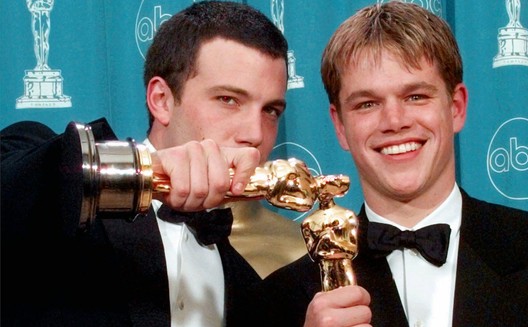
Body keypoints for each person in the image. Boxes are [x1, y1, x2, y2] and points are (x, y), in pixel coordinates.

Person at [254, 2, 528, 326]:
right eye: (367, 104)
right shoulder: (286, 298)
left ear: (456, 107)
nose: (394, 121)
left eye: (415, 97)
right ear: (340, 127)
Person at [1, 1, 306, 326]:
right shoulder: (56, 191)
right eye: (228, 100)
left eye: (270, 111)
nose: (255, 134)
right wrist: (149, 171)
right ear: (161, 100)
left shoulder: (248, 287)